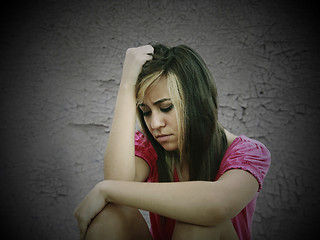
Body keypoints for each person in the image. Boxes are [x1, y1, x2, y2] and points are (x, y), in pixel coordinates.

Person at [74, 44, 271, 240]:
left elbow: (218, 205)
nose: (155, 123)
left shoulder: (247, 153)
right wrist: (127, 85)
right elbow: (118, 185)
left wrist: (105, 189)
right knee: (111, 215)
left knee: (197, 221)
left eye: (166, 107)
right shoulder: (150, 147)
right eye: (146, 112)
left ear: (197, 101)